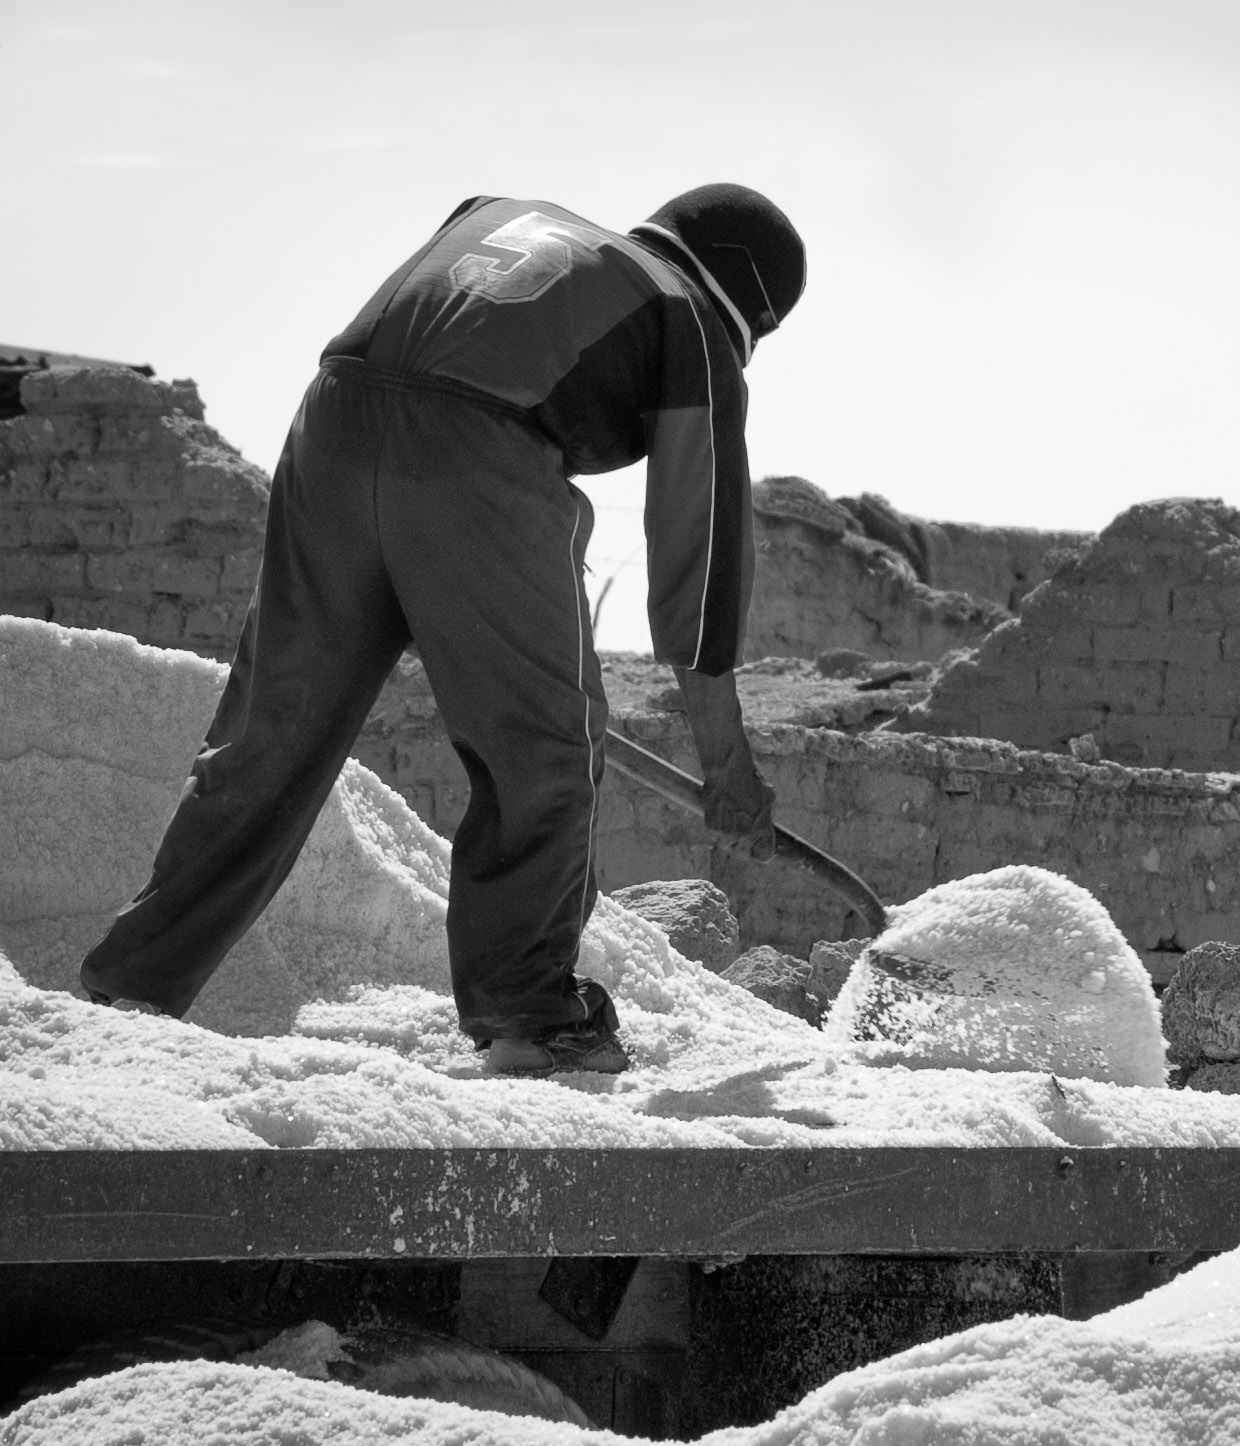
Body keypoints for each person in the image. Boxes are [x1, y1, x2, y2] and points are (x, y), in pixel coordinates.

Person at [79, 184, 805, 1078]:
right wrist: (728, 768)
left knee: (273, 735)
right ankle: (530, 1014)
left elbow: (434, 368)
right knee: (544, 747)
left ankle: (132, 982)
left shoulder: (496, 214)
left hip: (333, 421)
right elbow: (697, 569)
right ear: (749, 307)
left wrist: (428, 582)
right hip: (481, 453)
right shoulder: (688, 318)